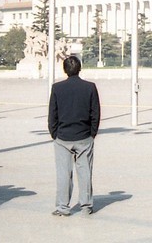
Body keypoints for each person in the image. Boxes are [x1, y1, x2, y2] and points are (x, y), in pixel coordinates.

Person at [48, 55, 101, 216]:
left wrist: (54, 133)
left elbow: (52, 114)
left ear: (65, 70)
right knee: (85, 172)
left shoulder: (57, 88)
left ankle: (63, 207)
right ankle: (86, 205)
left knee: (63, 174)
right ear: (80, 68)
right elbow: (95, 113)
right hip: (84, 136)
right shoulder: (90, 87)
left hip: (63, 137)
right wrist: (92, 133)